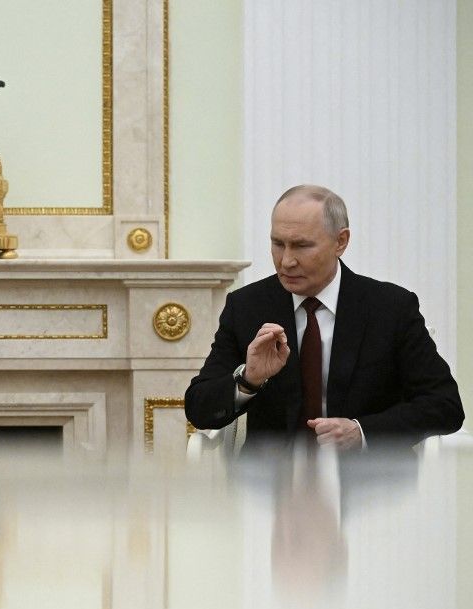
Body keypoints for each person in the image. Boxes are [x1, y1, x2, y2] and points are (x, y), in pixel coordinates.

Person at [185, 185, 463, 451]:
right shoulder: (247, 306)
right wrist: (249, 380)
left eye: (302, 246)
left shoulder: (391, 308)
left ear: (340, 241)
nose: (286, 261)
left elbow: (445, 405)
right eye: (278, 244)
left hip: (368, 483)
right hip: (271, 484)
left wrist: (362, 432)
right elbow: (199, 410)